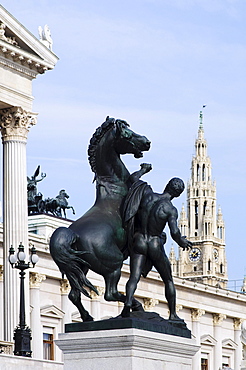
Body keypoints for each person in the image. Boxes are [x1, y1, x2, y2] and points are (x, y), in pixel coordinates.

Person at [121, 177, 192, 320]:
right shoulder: (170, 209)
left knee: (134, 276)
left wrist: (144, 171)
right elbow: (174, 232)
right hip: (154, 244)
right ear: (177, 195)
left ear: (166, 185)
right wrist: (181, 242)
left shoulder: (148, 195)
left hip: (139, 240)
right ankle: (172, 314)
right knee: (168, 280)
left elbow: (133, 180)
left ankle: (128, 302)